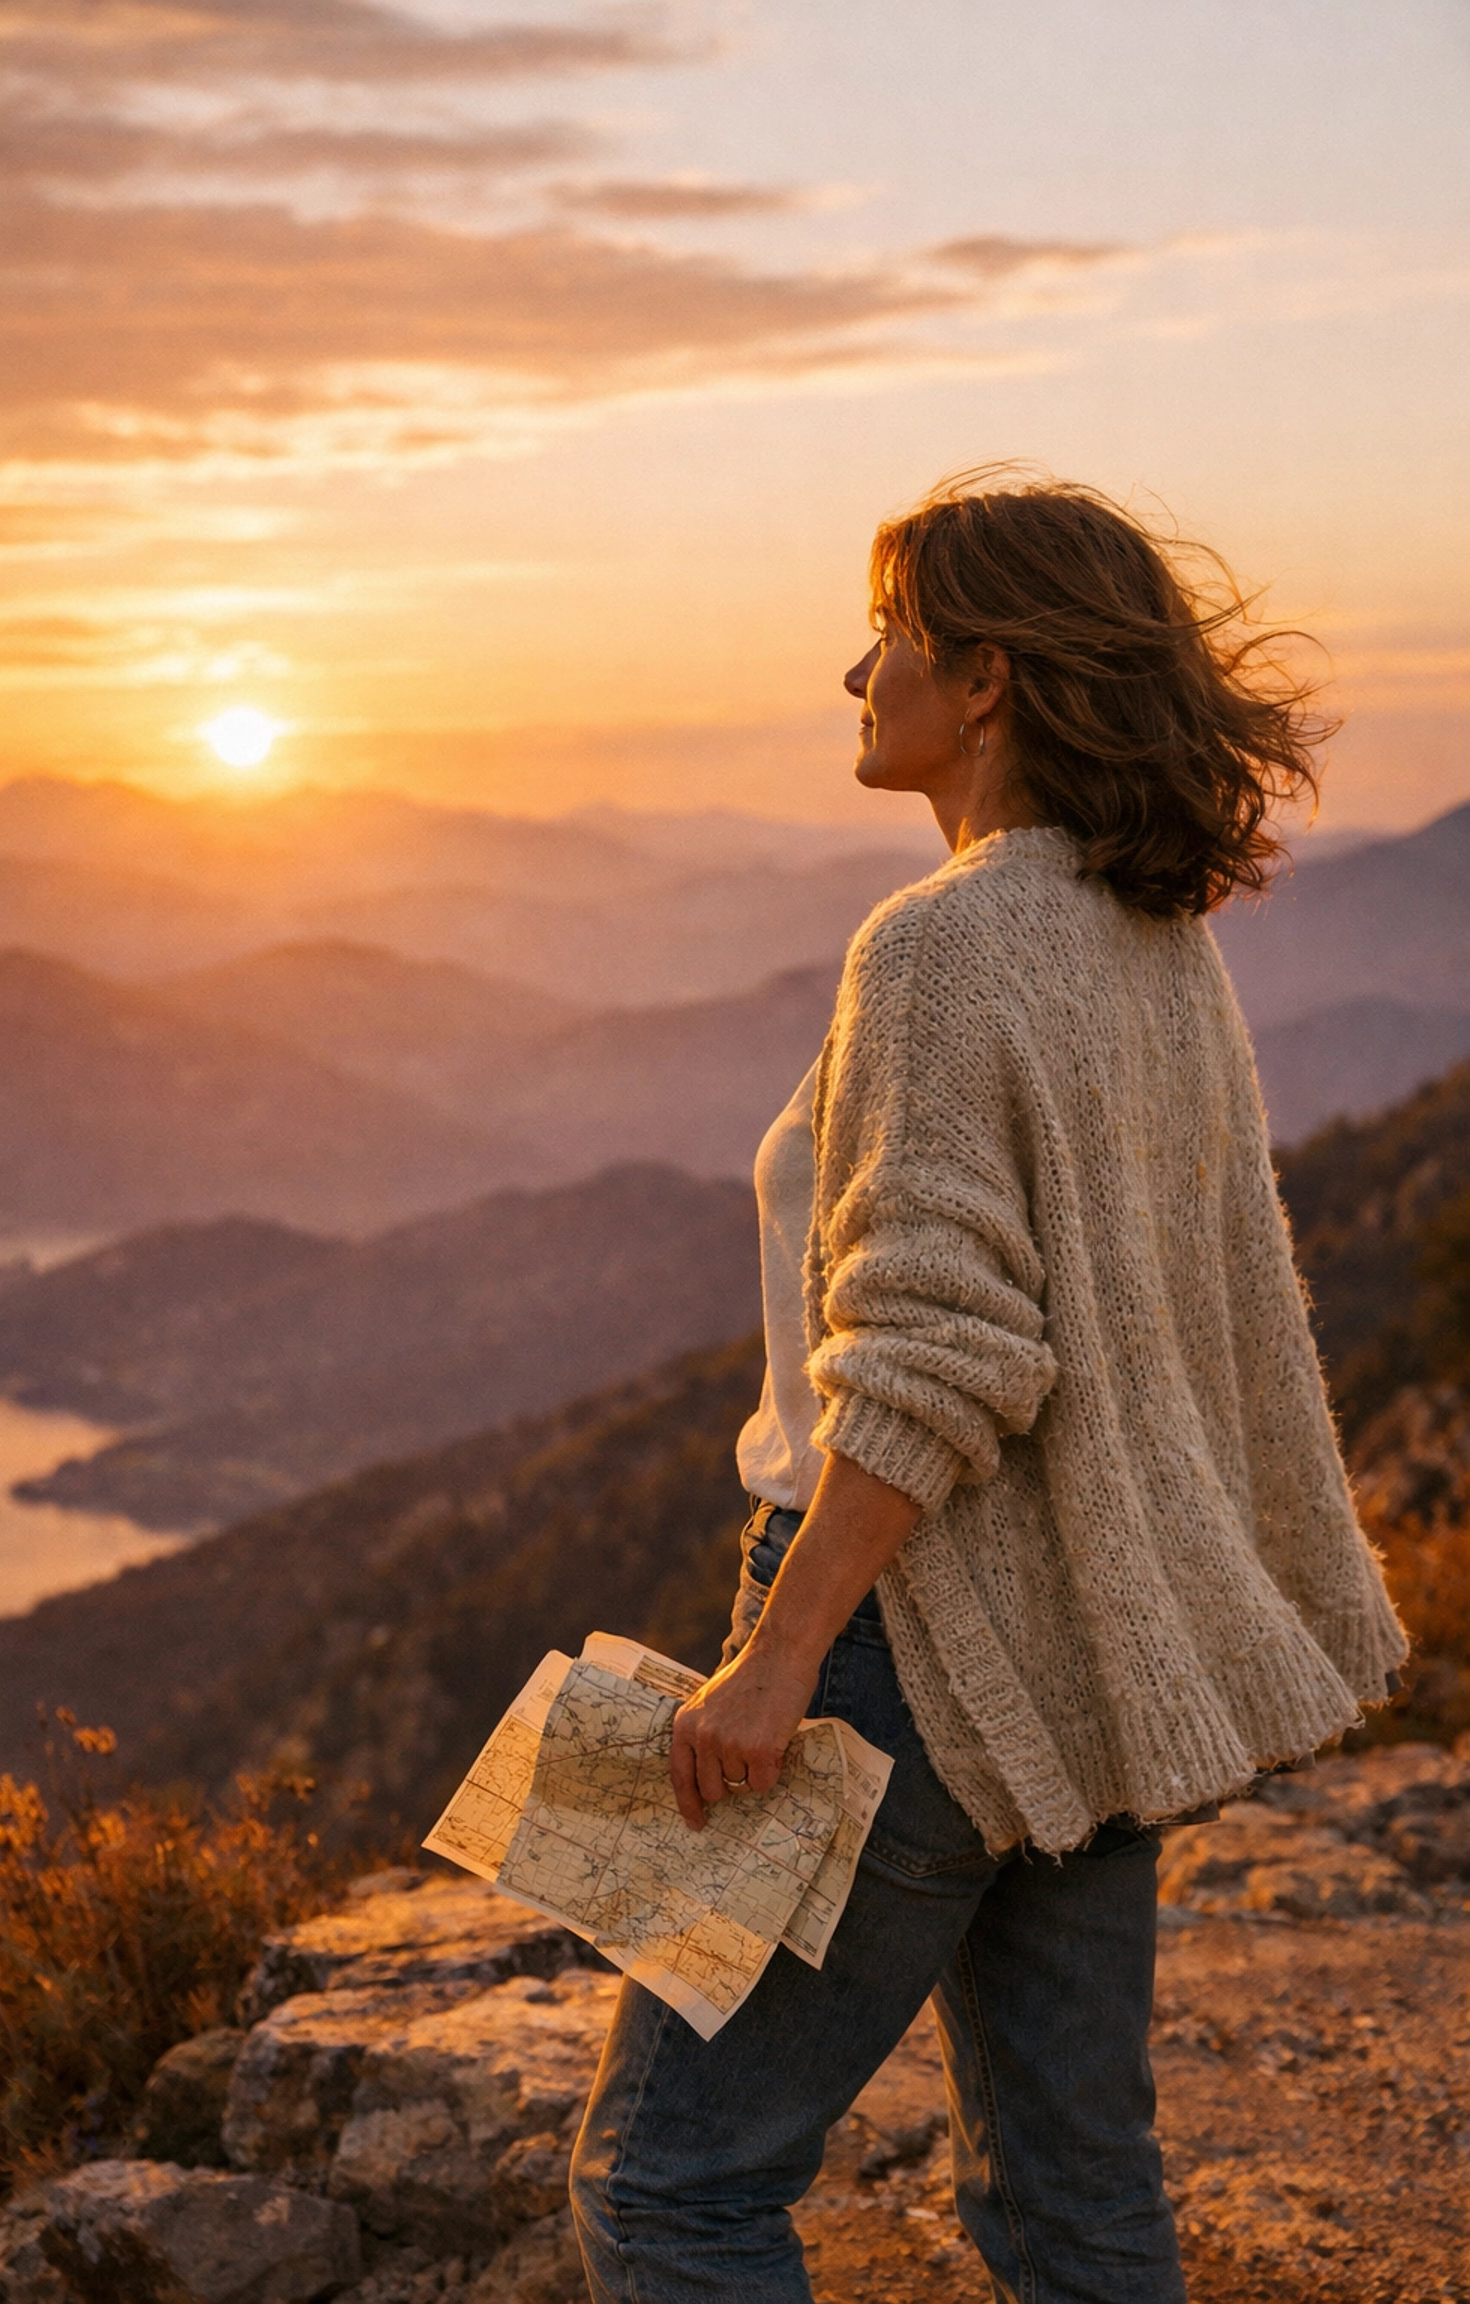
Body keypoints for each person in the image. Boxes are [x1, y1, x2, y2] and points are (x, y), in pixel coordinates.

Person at [570, 470, 1406, 2304]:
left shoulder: (937, 948)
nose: (854, 670)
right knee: (1070, 2189)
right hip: (1096, 1643)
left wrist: (778, 1656)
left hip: (905, 1642)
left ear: (990, 678)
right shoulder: (1151, 937)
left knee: (671, 2185)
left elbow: (945, 1352)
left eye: (890, 632)